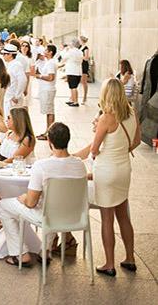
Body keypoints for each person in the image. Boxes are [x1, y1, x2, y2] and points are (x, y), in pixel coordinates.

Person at [74, 78, 141, 277]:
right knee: (123, 216)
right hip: (123, 169)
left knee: (106, 219)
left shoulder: (106, 118)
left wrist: (97, 132)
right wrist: (120, 150)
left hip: (106, 171)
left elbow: (94, 150)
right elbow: (136, 141)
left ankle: (109, 264)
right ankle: (130, 258)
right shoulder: (131, 113)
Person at [0, 122, 87, 267]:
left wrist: (23, 197)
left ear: (49, 141)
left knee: (2, 206)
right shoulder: (80, 165)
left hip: (49, 217)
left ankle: (20, 254)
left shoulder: (42, 166)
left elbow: (31, 202)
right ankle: (45, 250)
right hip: (75, 216)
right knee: (52, 204)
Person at [31, 44, 57, 140]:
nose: (44, 51)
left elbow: (51, 77)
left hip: (48, 89)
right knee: (48, 111)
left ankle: (49, 133)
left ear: (50, 52)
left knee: (49, 111)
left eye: (46, 50)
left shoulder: (50, 63)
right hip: (46, 89)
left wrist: (39, 76)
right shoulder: (49, 62)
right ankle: (48, 131)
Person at [1, 43, 26, 115]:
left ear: (10, 54)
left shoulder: (16, 65)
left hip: (13, 98)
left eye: (5, 54)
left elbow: (23, 80)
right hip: (9, 96)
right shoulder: (10, 64)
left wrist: (17, 96)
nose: (3, 56)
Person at [59, 39, 83, 107]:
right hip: (78, 71)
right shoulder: (80, 52)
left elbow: (64, 57)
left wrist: (65, 50)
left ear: (72, 44)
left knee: (73, 87)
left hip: (72, 71)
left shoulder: (70, 51)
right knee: (74, 87)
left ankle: (75, 102)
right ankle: (72, 100)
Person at [80, 35, 91, 105]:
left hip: (84, 65)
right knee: (81, 81)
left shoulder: (86, 48)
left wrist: (80, 56)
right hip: (79, 65)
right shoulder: (80, 47)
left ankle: (85, 97)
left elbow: (86, 58)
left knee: (84, 82)